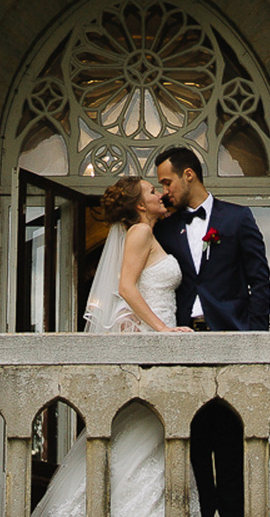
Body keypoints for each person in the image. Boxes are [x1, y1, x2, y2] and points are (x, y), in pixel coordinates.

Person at [33, 177, 179, 517]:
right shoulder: (140, 233)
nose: (159, 194)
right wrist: (163, 331)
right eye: (152, 191)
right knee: (146, 435)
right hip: (155, 342)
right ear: (141, 205)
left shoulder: (146, 232)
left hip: (157, 343)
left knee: (148, 440)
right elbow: (126, 289)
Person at [155, 146, 270, 517]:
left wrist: (253, 337)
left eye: (167, 182)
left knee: (232, 448)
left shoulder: (238, 219)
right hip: (183, 347)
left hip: (232, 344)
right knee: (194, 449)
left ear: (189, 174)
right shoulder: (165, 228)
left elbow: (260, 282)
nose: (164, 192)